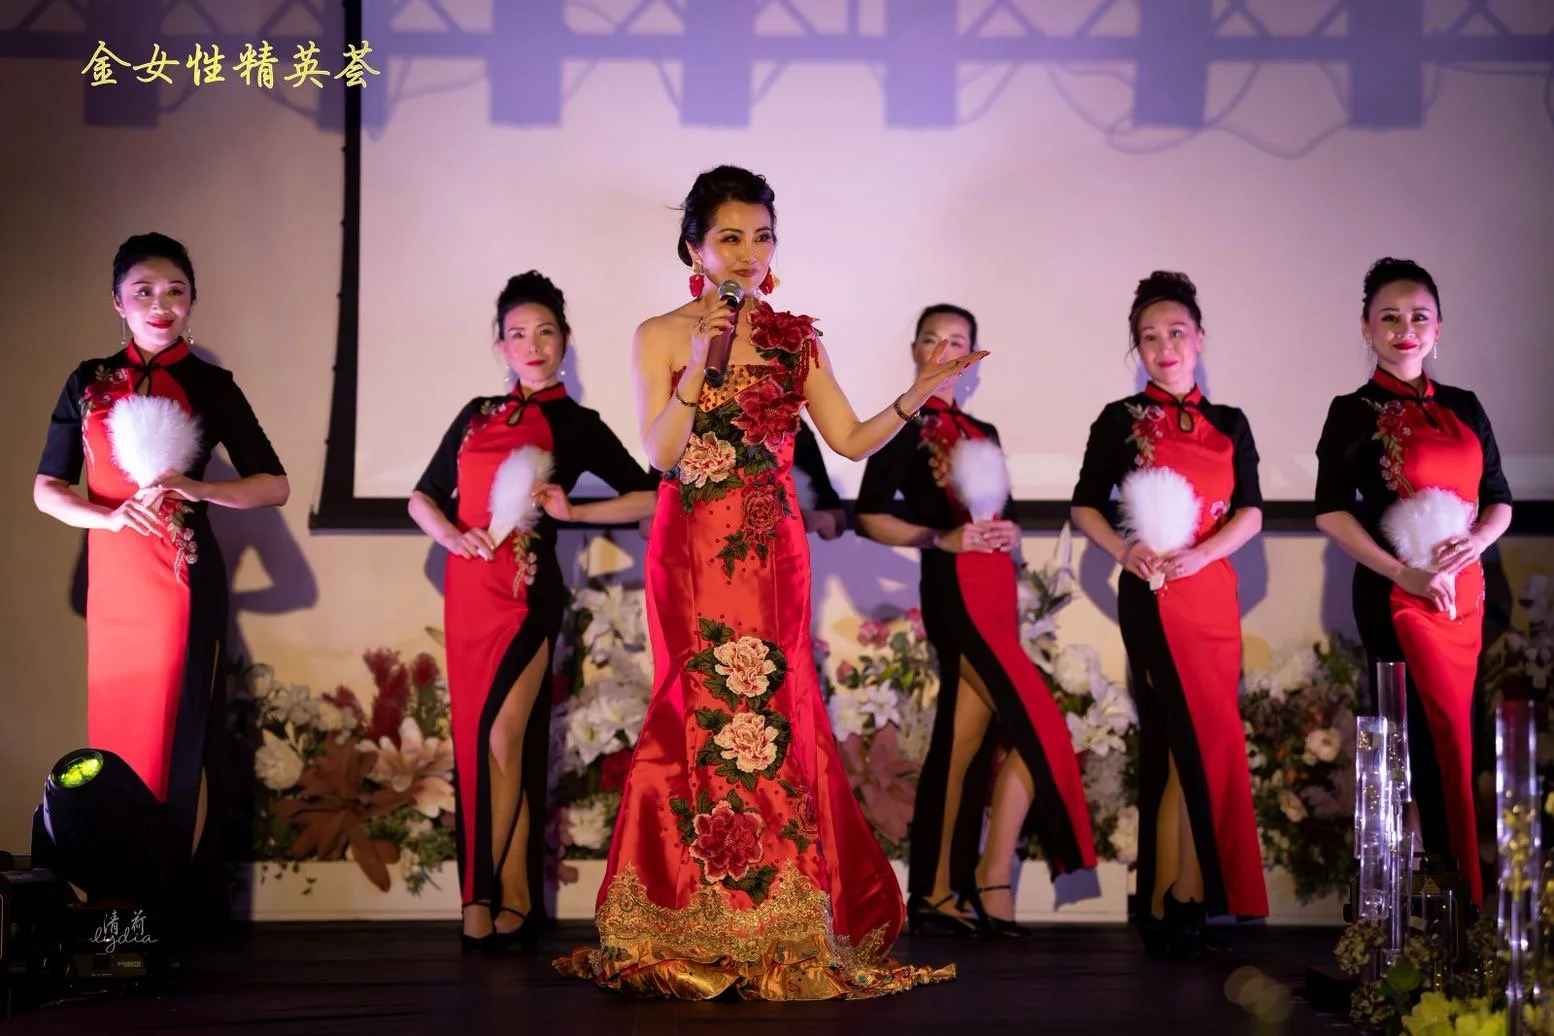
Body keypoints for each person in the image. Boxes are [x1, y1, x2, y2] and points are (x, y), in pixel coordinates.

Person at [555, 165, 982, 1000]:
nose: (749, 253)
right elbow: (662, 453)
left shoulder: (795, 339)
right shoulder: (660, 334)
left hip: (772, 549)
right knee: (696, 709)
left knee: (775, 716)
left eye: (762, 237)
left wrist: (915, 396)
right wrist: (700, 363)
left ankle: (777, 915)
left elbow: (849, 440)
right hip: (690, 547)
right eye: (730, 237)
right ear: (695, 248)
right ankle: (690, 912)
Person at [33, 232, 289, 918]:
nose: (160, 304)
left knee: (178, 745)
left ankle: (165, 915)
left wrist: (198, 489)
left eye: (175, 291)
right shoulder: (87, 381)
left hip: (182, 579)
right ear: (117, 302)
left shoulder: (211, 385)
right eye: (143, 291)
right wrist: (108, 518)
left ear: (192, 302)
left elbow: (274, 485)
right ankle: (118, 911)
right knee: (116, 742)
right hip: (113, 585)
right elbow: (47, 489)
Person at [409, 271, 658, 955]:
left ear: (565, 341)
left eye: (545, 332)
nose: (532, 345)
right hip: (466, 592)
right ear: (501, 346)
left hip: (525, 594)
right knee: (482, 743)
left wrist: (575, 513)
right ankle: (512, 898)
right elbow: (422, 497)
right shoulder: (476, 414)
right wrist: (450, 535)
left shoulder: (576, 424)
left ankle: (481, 900)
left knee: (501, 739)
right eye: (518, 334)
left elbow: (652, 496)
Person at [855, 303, 1097, 938]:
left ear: (973, 358)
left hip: (997, 593)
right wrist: (940, 538)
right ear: (915, 351)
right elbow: (869, 515)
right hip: (954, 591)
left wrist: (1009, 532)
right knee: (1040, 730)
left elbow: (999, 515)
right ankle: (989, 878)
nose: (944, 351)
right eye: (932, 340)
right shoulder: (903, 422)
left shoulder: (983, 430)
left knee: (962, 747)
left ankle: (937, 893)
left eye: (957, 342)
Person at [1069, 271, 1267, 956]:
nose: (1165, 347)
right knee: (1183, 737)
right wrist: (1125, 550)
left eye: (1176, 333)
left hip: (1213, 593)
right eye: (1149, 338)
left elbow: (1251, 511)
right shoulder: (1119, 420)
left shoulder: (1230, 422)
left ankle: (1171, 897)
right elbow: (1084, 505)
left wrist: (1205, 554)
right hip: (1153, 594)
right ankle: (1183, 897)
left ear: (1199, 338)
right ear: (1139, 350)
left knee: (1201, 740)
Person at [1314, 257, 1512, 911]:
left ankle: (1459, 906)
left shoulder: (1465, 405)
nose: (1405, 330)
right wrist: (1406, 572)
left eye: (1418, 318)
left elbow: (1499, 499)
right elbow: (1331, 511)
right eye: (1390, 318)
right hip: (1396, 595)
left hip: (1466, 598)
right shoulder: (1352, 412)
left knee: (1462, 745)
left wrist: (1475, 545)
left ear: (1438, 328)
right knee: (1416, 745)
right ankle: (1429, 904)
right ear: (1366, 328)